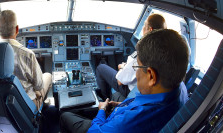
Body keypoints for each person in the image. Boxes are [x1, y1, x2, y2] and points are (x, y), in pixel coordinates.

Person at [60, 29, 189, 133]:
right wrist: (121, 105)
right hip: (120, 114)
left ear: (151, 75)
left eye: (137, 67)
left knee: (65, 116)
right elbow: (140, 103)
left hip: (104, 125)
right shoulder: (180, 88)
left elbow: (95, 130)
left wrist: (101, 110)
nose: (136, 72)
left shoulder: (128, 123)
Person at [96, 14, 167, 101]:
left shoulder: (142, 54)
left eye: (144, 25)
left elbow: (120, 81)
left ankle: (104, 98)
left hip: (131, 90)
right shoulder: (164, 50)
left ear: (150, 29)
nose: (142, 28)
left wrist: (122, 67)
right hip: (148, 89)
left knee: (101, 68)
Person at [0, 10, 52, 108]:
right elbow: (39, 85)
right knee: (47, 75)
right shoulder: (27, 54)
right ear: (17, 29)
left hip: (0, 104)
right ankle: (41, 106)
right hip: (26, 105)